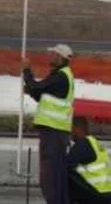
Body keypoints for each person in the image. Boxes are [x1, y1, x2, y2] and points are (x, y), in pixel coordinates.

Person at [22, 44, 75, 204]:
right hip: (54, 133)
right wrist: (30, 90)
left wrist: (26, 70)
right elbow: (40, 93)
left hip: (54, 133)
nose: (50, 57)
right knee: (52, 176)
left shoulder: (60, 76)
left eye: (53, 54)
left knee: (51, 177)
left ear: (60, 57)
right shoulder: (60, 75)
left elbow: (37, 87)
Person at [67, 116, 111, 204]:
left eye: (70, 129)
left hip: (98, 195)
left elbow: (66, 165)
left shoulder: (82, 144)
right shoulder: (94, 143)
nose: (70, 133)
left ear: (77, 128)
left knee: (65, 174)